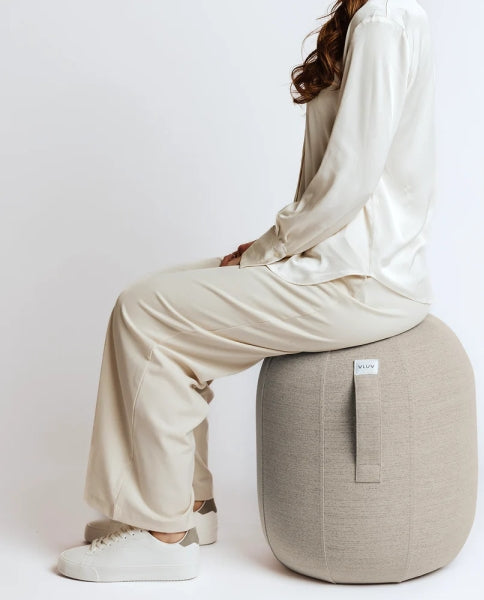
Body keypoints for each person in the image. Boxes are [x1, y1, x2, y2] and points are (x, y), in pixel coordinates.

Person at [57, 0, 437, 582]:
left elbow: (349, 181)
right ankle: (188, 506)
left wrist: (267, 249)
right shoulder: (373, 16)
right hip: (341, 263)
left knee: (146, 313)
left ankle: (163, 536)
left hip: (359, 279)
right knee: (153, 293)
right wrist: (273, 247)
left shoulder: (382, 19)